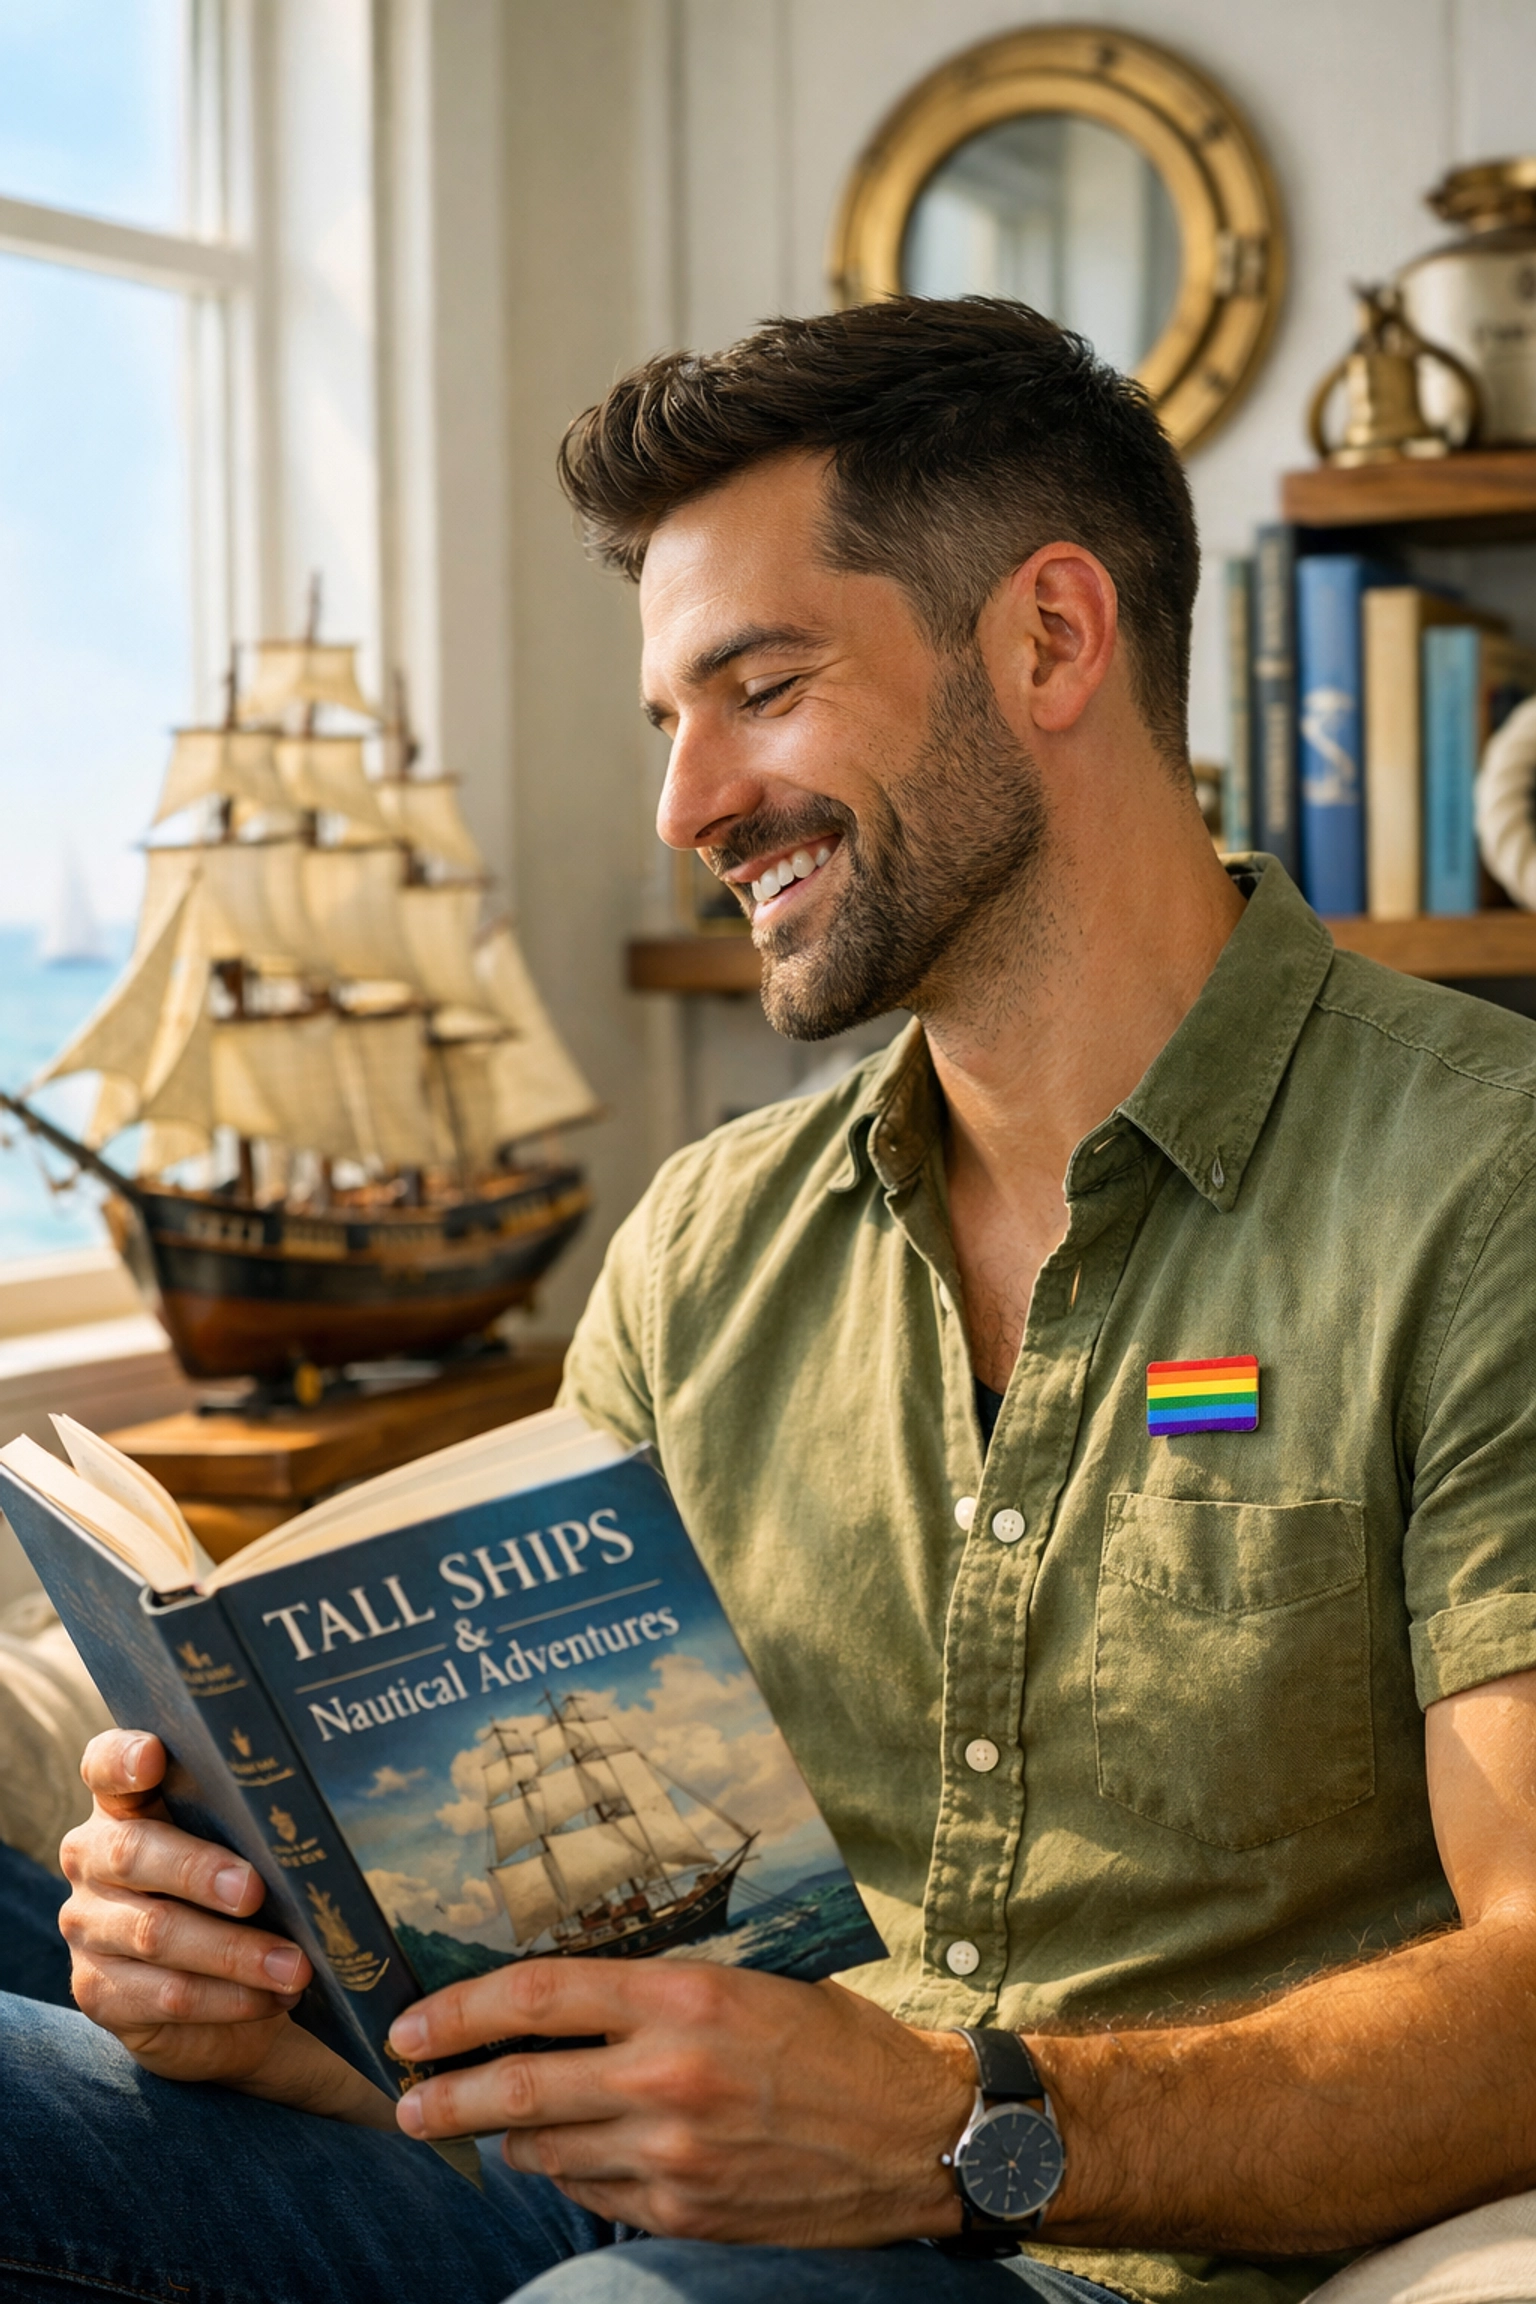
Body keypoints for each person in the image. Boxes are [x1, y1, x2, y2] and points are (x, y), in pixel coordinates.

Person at [5, 295, 1536, 2304]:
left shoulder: (1480, 1182)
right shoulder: (708, 1239)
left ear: (1052, 640)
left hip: (1087, 2254)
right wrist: (262, 2006)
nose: (687, 806)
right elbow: (583, 1959)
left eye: (761, 689)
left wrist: (959, 2127)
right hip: (633, 2194)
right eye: (671, 721)